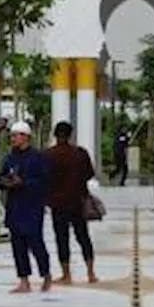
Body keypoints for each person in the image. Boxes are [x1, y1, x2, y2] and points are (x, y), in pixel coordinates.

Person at [0, 120, 51, 293]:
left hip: (32, 207)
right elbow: (0, 178)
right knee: (18, 246)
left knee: (36, 243)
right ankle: (24, 280)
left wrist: (24, 183)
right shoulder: (10, 158)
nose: (13, 139)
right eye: (11, 135)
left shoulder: (37, 157)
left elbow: (44, 182)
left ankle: (46, 274)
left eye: (16, 135)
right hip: (15, 207)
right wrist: (6, 182)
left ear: (26, 137)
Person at [44, 121, 97, 285]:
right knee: (83, 236)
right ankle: (91, 273)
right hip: (78, 201)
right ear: (71, 134)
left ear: (54, 135)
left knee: (62, 238)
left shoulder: (48, 155)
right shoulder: (80, 153)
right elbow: (89, 174)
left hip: (58, 203)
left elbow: (44, 178)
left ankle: (66, 274)